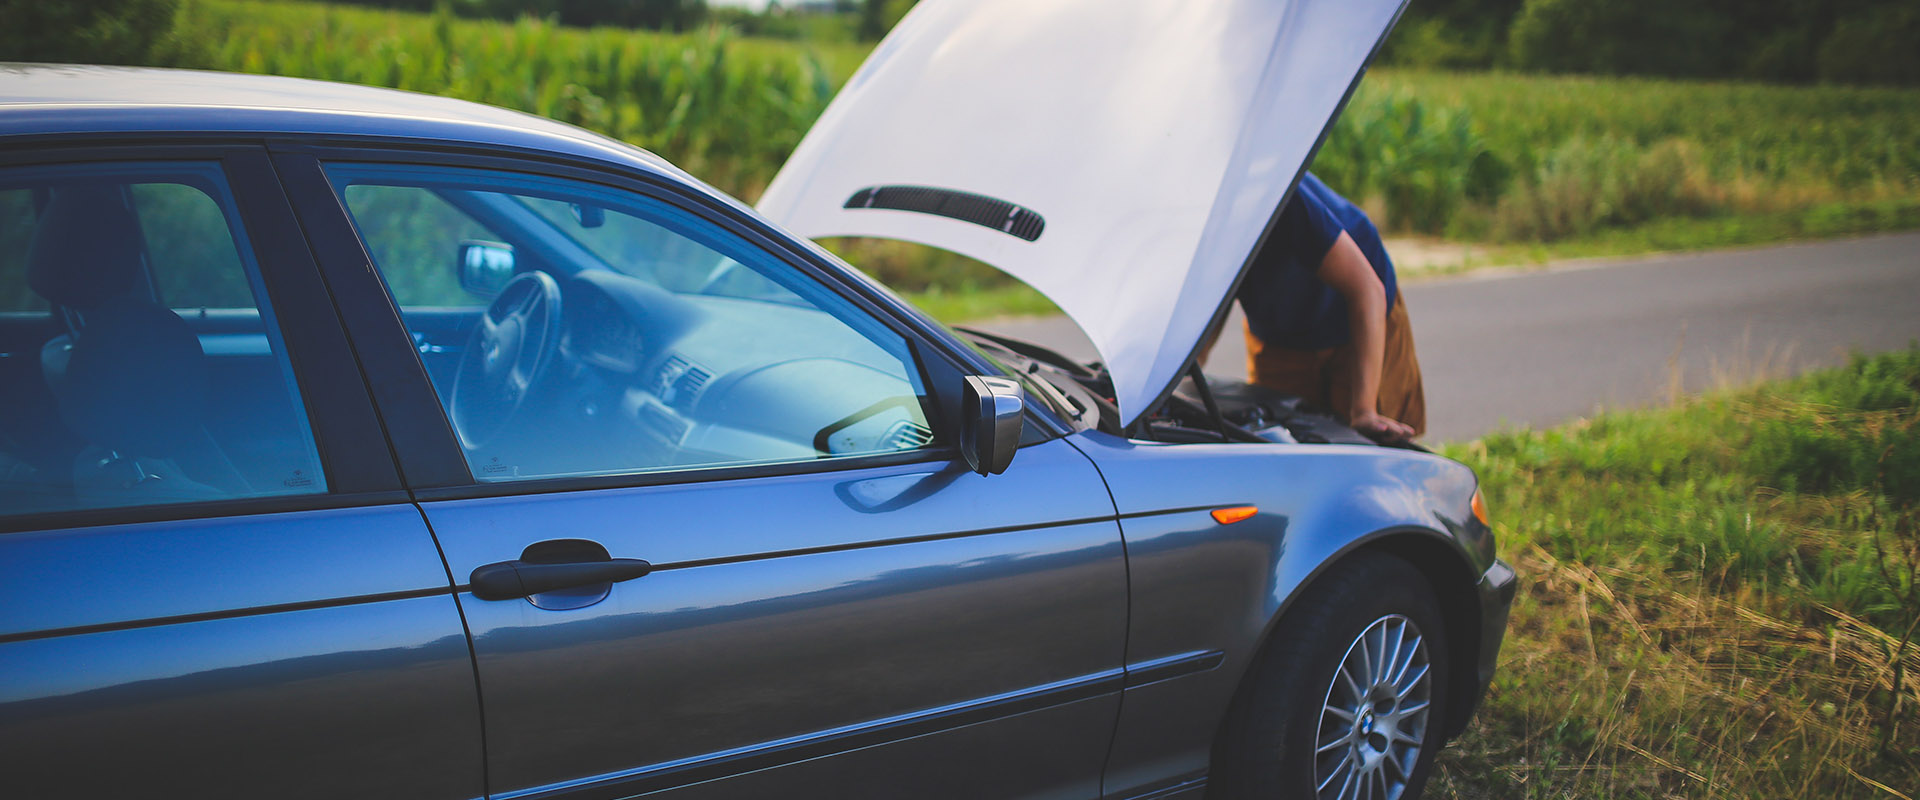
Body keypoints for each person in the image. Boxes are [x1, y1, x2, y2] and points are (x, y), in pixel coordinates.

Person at [1229, 172, 1425, 440]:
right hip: (1279, 330)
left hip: (1360, 315)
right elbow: (1206, 302)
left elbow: (1367, 291)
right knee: (1282, 443)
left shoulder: (1276, 194)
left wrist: (1364, 409)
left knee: (1370, 443)